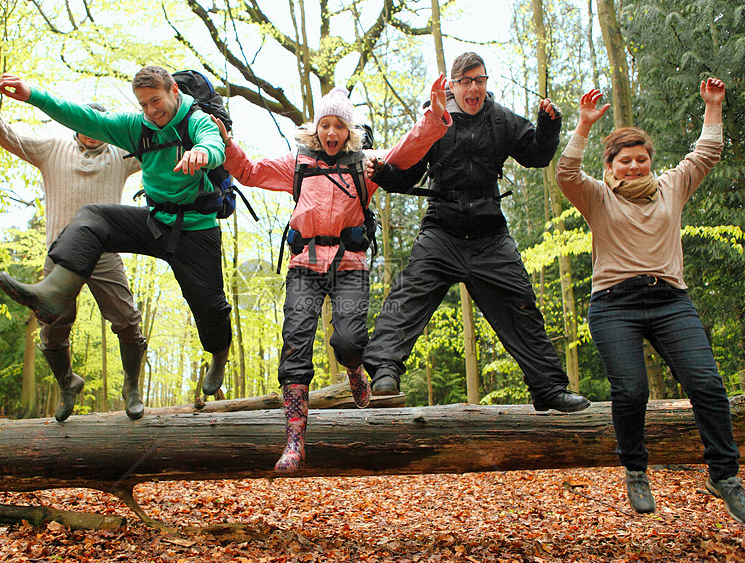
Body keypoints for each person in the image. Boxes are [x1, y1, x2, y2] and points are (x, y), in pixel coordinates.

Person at [214, 78, 452, 473]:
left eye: (339, 126)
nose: (331, 132)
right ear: (316, 128)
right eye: (326, 125)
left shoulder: (365, 165)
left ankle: (353, 367)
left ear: (349, 132)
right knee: (295, 344)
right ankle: (294, 441)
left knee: (349, 339)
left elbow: (406, 152)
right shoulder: (297, 164)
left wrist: (434, 116)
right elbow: (250, 171)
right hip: (304, 265)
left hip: (349, 265)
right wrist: (224, 142)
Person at [555, 79, 744, 522]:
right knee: (632, 390)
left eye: (642, 159)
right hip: (613, 305)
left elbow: (707, 153)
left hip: (669, 300)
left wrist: (712, 106)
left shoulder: (673, 186)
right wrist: (583, 125)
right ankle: (636, 470)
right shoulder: (597, 196)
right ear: (612, 165)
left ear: (650, 161)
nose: (635, 166)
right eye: (626, 161)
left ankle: (725, 475)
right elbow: (565, 174)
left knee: (708, 385)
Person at [0, 66, 233, 407]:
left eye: (156, 100)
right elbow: (83, 117)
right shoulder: (136, 128)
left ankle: (219, 356)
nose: (151, 110)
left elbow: (214, 143)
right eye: (143, 104)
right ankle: (53, 293)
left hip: (195, 230)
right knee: (93, 216)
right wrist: (32, 95)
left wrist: (203, 153)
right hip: (154, 221)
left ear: (173, 91)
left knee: (209, 307)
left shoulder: (195, 119)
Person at [365, 52, 590, 413]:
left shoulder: (501, 120)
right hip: (442, 229)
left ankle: (548, 388)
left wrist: (548, 126)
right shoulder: (435, 121)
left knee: (522, 306)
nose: (474, 88)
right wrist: (382, 173)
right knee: (406, 296)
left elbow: (535, 155)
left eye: (480, 80)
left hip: (490, 234)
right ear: (452, 85)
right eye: (466, 81)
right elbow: (405, 177)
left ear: (486, 84)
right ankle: (384, 373)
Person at [0, 74, 146, 423]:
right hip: (59, 255)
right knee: (51, 326)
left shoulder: (122, 154)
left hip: (105, 255)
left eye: (101, 125)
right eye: (86, 123)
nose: (93, 130)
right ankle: (67, 383)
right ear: (76, 124)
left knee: (127, 320)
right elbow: (9, 137)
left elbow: (160, 145)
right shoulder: (51, 148)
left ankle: (132, 386)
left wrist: (195, 120)